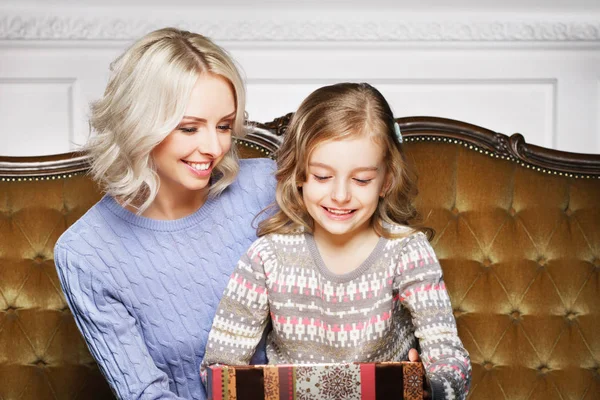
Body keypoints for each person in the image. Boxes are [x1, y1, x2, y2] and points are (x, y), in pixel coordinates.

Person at [201, 83, 471, 399]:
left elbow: (449, 357)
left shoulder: (407, 252)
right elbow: (219, 369)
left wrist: (431, 383)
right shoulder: (268, 256)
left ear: (385, 181)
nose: (340, 196)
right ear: (299, 174)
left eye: (361, 180)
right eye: (322, 177)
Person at [54, 27, 276, 400]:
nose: (213, 147)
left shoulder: (267, 187)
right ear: (138, 123)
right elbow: (146, 394)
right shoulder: (84, 254)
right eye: (189, 128)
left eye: (224, 126)